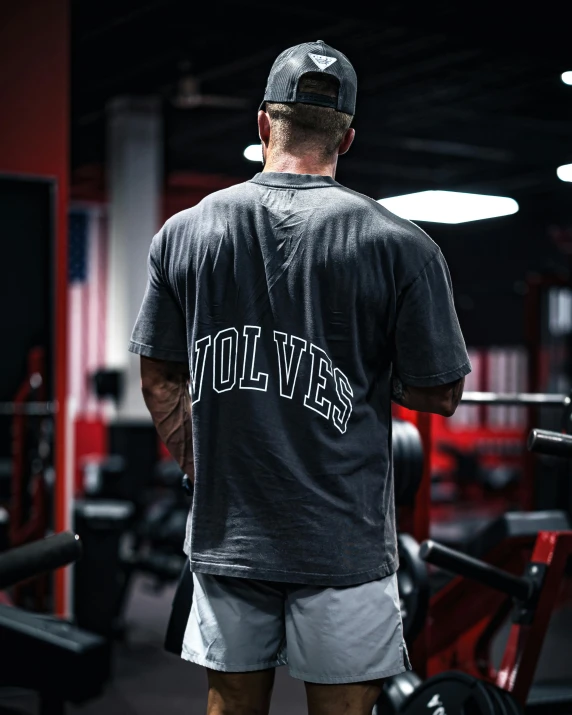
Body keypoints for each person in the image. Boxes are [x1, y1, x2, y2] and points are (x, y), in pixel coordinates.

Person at [129, 40, 471, 715]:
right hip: (342, 544)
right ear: (347, 134)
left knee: (230, 707)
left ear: (262, 124)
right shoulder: (403, 245)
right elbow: (442, 392)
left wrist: (201, 460)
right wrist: (364, 371)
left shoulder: (184, 232)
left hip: (229, 537)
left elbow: (160, 373)